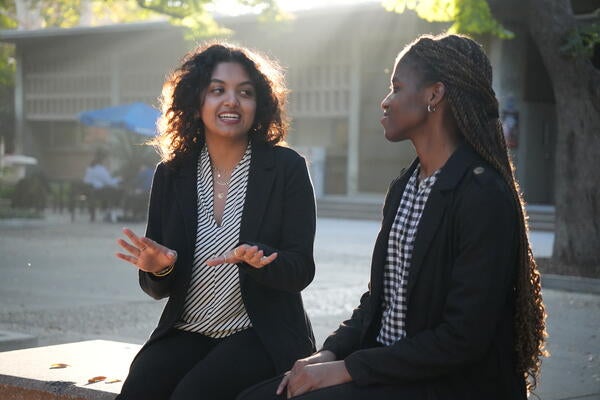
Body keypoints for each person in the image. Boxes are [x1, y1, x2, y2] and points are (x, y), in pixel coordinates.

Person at [238, 33, 546, 400]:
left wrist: (347, 370)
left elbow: (462, 339)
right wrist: (328, 353)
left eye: (397, 88)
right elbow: (378, 300)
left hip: (445, 383)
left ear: (434, 95)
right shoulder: (406, 186)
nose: (385, 101)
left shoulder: (482, 194)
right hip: (387, 368)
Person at [115, 42, 317, 400]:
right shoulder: (172, 173)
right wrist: (158, 268)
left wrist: (262, 258)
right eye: (217, 90)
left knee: (195, 393)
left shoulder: (286, 168)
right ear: (197, 101)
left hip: (259, 332)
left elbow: (301, 269)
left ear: (260, 104)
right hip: (189, 328)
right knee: (141, 384)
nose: (231, 101)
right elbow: (156, 287)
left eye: (245, 92)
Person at [83, 148, 122, 222]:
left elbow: (86, 180)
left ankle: (107, 211)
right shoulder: (101, 169)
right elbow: (109, 182)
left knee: (111, 190)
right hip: (98, 191)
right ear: (103, 160)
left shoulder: (90, 168)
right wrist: (119, 179)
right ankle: (110, 212)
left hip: (90, 190)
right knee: (117, 191)